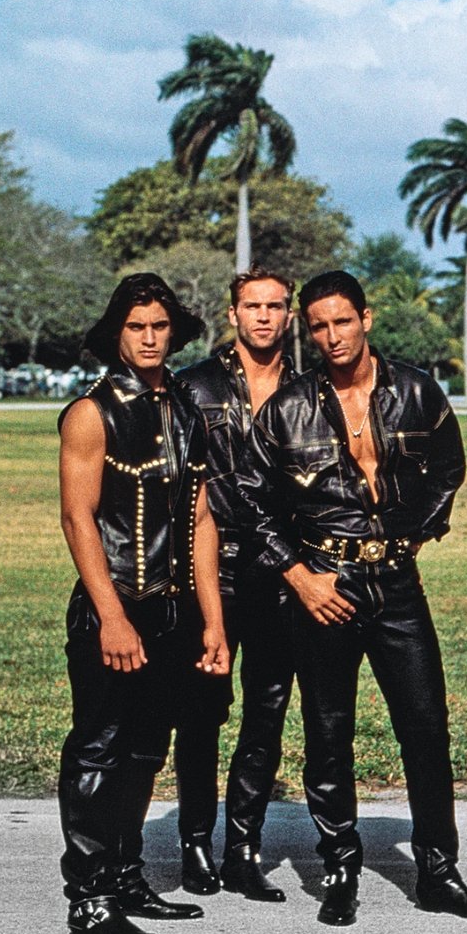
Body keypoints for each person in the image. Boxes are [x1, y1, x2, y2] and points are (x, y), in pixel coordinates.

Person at [235, 270, 467, 927]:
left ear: (366, 318)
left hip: (397, 585)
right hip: (323, 583)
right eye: (319, 326)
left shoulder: (415, 391)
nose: (331, 336)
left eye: (342, 322)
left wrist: (416, 528)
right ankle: (339, 870)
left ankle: (438, 872)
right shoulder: (287, 409)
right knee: (328, 734)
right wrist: (300, 576)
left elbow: (447, 466)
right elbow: (251, 497)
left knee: (426, 727)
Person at [57, 273, 230, 934]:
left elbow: (204, 520)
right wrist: (112, 616)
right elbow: (77, 518)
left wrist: (212, 621)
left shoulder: (186, 409)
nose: (150, 338)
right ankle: (91, 897)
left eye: (159, 326)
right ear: (116, 333)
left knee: (143, 752)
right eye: (136, 327)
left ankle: (127, 877)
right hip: (115, 609)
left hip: (174, 611)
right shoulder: (91, 413)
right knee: (98, 750)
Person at [177, 266, 298, 901]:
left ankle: (242, 849)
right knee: (201, 712)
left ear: (289, 315)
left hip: (280, 575)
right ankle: (195, 841)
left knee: (267, 712)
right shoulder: (191, 388)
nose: (264, 317)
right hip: (210, 573)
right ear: (233, 314)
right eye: (252, 306)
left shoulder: (309, 392)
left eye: (276, 306)